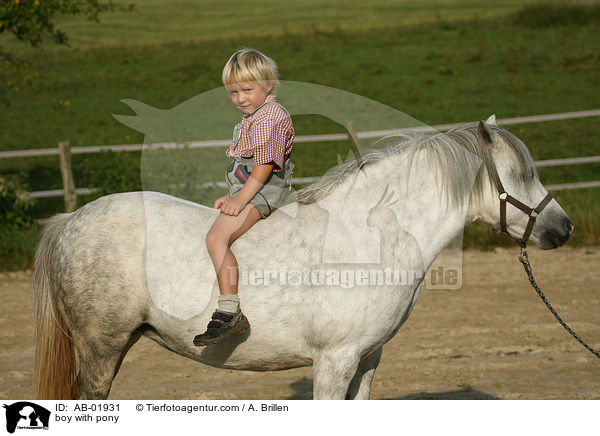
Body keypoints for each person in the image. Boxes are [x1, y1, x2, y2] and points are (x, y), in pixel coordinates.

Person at [193, 48, 295, 346]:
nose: (240, 98)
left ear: (269, 84)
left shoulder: (269, 118)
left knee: (215, 238)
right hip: (250, 189)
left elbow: (263, 167)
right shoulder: (255, 115)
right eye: (233, 92)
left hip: (262, 193)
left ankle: (229, 310)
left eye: (247, 89)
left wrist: (239, 201)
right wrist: (232, 195)